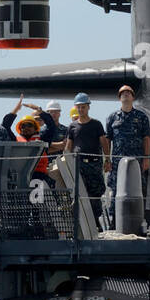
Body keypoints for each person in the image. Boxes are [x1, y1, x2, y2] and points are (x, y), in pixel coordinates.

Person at [104, 84, 150, 222]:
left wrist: (146, 159)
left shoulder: (141, 117)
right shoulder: (112, 117)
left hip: (136, 161)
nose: (125, 95)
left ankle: (139, 220)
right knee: (115, 191)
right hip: (117, 162)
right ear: (119, 98)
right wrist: (107, 160)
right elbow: (107, 139)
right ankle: (113, 222)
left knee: (138, 190)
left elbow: (146, 138)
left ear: (133, 97)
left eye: (128, 93)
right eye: (122, 93)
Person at [63, 92, 110, 224]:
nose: (80, 109)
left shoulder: (96, 124)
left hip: (94, 164)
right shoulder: (72, 126)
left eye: (83, 107)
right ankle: (82, 223)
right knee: (80, 193)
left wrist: (108, 159)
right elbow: (68, 146)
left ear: (88, 107)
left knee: (95, 193)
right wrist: (66, 161)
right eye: (78, 107)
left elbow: (104, 142)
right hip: (79, 165)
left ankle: (95, 222)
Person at [15, 114, 64, 187]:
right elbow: (6, 126)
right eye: (23, 126)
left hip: (38, 176)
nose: (26, 128)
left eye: (29, 125)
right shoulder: (15, 141)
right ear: (20, 129)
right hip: (19, 177)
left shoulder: (42, 140)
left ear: (35, 128)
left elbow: (51, 126)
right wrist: (13, 113)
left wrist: (41, 112)